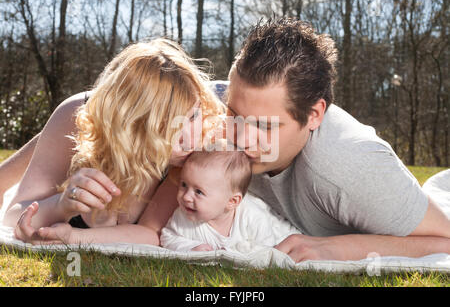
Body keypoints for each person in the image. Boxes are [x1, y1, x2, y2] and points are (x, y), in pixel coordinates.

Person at [2, 18, 449, 261]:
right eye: (233, 114)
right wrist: (54, 199)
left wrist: (338, 247)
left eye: (266, 127)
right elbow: (95, 108)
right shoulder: (208, 110)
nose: (238, 136)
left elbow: (444, 242)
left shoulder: (351, 165)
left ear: (314, 116)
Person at [1, 38, 224, 245]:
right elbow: (12, 217)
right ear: (131, 126)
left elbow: (152, 234)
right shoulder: (78, 115)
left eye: (193, 115)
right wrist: (61, 205)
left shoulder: (203, 139)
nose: (190, 139)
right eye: (166, 125)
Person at [160, 148, 300, 252]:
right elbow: (168, 237)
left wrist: (235, 253)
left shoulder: (253, 217)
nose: (186, 197)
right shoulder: (184, 216)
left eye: (199, 192)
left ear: (231, 202)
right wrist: (192, 247)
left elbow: (268, 247)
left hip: (280, 233)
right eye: (184, 185)